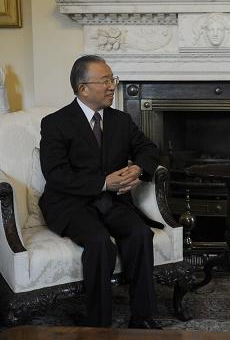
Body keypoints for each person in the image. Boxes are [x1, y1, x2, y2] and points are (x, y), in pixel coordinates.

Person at [39, 55, 163, 329]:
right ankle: (98, 325)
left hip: (112, 202)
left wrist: (139, 170)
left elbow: (148, 149)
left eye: (112, 79)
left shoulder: (120, 120)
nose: (112, 86)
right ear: (83, 88)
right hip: (70, 204)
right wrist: (104, 183)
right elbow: (56, 175)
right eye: (105, 81)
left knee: (141, 233)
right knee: (99, 243)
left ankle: (142, 318)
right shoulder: (55, 123)